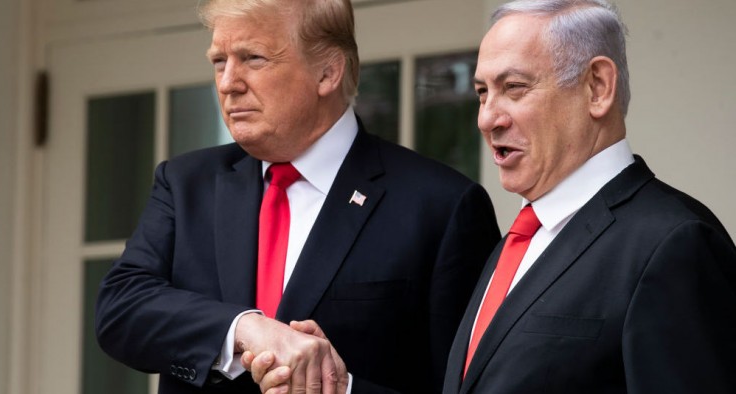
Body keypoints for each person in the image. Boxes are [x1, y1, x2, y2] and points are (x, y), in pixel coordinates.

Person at [94, 0, 501, 393]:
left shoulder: (441, 206)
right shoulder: (186, 182)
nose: (227, 83)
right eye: (219, 61)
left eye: (253, 58)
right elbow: (120, 308)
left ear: (327, 72)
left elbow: (465, 385)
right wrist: (245, 329)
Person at [439, 0, 736, 393]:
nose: (487, 118)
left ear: (597, 87)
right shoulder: (519, 241)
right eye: (482, 92)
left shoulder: (674, 244)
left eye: (513, 87)